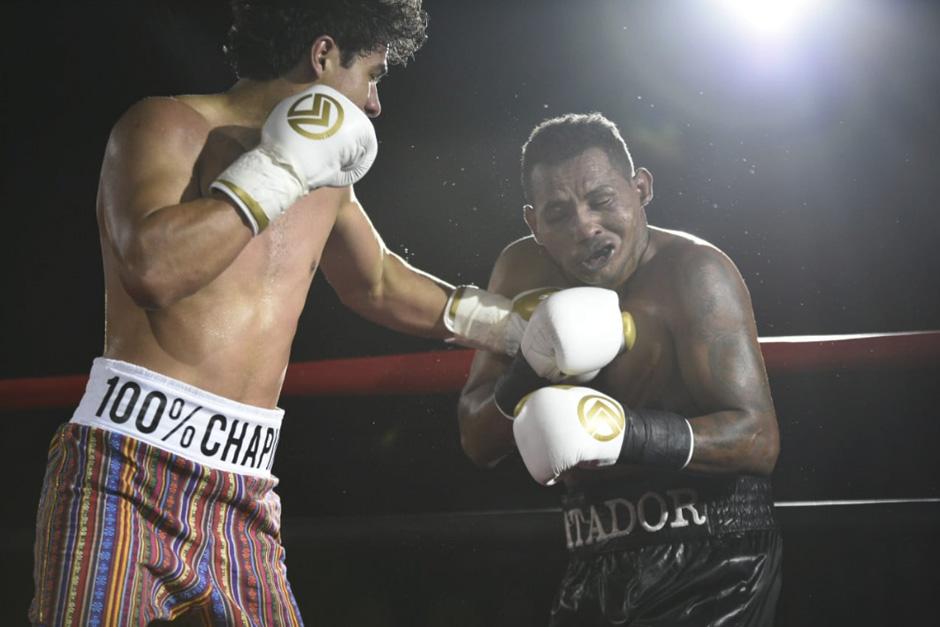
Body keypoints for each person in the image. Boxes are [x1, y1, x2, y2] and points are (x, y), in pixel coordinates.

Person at [29, 1, 561, 624]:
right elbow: (153, 270)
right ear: (323, 54)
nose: (374, 103)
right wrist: (280, 168)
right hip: (125, 467)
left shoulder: (329, 181)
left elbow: (379, 282)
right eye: (373, 73)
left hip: (244, 489)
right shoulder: (167, 124)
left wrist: (510, 326)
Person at [458, 113, 782, 626]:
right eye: (559, 213)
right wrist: (529, 368)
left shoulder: (694, 273)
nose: (585, 225)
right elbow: (477, 436)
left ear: (641, 188)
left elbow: (759, 439)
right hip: (591, 554)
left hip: (712, 554)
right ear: (533, 223)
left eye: (602, 200)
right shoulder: (521, 272)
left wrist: (621, 434)